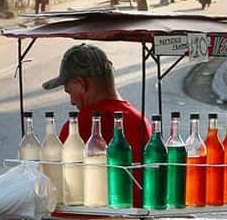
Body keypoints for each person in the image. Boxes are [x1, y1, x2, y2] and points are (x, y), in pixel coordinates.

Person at [42, 43, 151, 207]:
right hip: (137, 219)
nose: (72, 102)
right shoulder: (141, 122)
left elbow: (56, 185)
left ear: (82, 83)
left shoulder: (79, 127)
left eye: (69, 92)